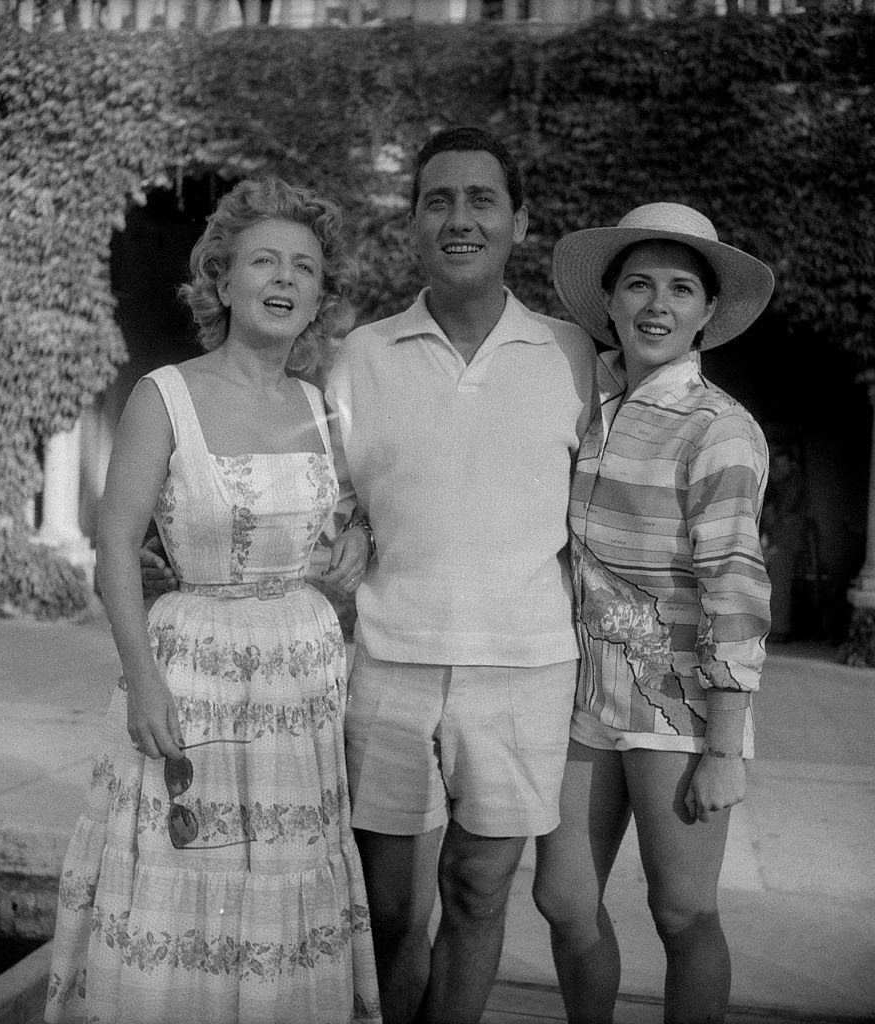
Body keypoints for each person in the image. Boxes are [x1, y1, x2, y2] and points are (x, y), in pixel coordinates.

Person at [44, 178, 382, 1024]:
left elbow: (342, 517)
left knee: (281, 875)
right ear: (222, 280)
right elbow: (116, 545)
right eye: (263, 259)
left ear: (318, 296)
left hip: (298, 685)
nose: (285, 277)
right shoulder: (167, 396)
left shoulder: (320, 405)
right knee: (186, 867)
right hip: (190, 671)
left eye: (303, 267)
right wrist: (142, 679)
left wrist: (356, 540)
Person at [327, 126, 598, 1024]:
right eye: (438, 200)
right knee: (392, 909)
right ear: (412, 224)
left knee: (481, 894)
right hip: (391, 663)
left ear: (519, 221)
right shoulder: (359, 359)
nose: (460, 218)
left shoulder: (571, 359)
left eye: (482, 199)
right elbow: (327, 512)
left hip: (525, 669)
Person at [532, 202, 774, 1024]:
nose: (656, 305)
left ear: (708, 312)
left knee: (681, 913)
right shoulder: (592, 406)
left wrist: (725, 746)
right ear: (609, 301)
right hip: (584, 696)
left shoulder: (720, 428)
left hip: (680, 709)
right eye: (637, 284)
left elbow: (736, 589)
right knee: (563, 900)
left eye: (679, 289)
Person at [761, 445, 808, 642]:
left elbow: (783, 516)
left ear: (791, 466)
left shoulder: (794, 485)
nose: (776, 471)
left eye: (780, 466)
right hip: (771, 539)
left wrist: (773, 543)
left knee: (779, 582)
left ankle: (778, 630)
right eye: (774, 466)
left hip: (785, 541)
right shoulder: (773, 485)